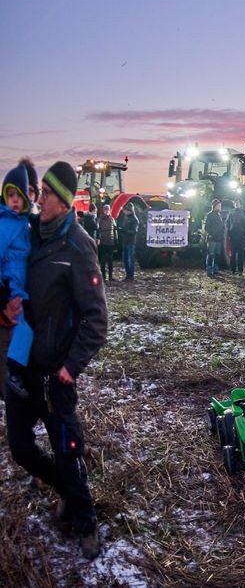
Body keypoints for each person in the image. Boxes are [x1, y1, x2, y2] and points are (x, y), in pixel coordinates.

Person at [7, 161, 107, 558]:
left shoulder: (78, 246)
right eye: (40, 191)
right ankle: (64, 490)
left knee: (68, 450)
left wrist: (72, 366)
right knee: (20, 447)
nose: (39, 198)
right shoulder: (29, 233)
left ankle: (85, 522)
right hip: (21, 364)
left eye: (46, 194)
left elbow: (96, 318)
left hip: (54, 374)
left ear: (63, 203)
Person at [2, 161, 35, 399]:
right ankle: (13, 373)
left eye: (19, 195)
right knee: (23, 329)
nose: (14, 199)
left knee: (25, 328)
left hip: (22, 285)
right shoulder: (5, 224)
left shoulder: (25, 223)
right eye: (9, 194)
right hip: (12, 285)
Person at [227, 199, 245, 276]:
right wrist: (229, 233)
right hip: (233, 236)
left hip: (241, 236)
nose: (236, 204)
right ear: (234, 204)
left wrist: (244, 233)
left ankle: (240, 270)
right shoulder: (231, 213)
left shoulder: (244, 213)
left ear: (240, 204)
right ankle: (233, 269)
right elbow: (227, 223)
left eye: (238, 203)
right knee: (233, 254)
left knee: (240, 254)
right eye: (235, 203)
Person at [116, 203, 139, 281]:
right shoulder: (126, 218)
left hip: (131, 242)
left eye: (126, 210)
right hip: (125, 241)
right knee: (125, 259)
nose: (124, 212)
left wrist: (124, 230)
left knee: (130, 259)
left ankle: (130, 275)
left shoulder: (134, 220)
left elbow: (134, 231)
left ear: (130, 211)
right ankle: (128, 275)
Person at [203, 199, 225, 277]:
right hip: (212, 239)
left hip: (218, 239)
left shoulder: (219, 215)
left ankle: (215, 269)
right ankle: (209, 270)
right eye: (219, 206)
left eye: (220, 206)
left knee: (217, 255)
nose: (220, 207)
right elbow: (206, 227)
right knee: (211, 254)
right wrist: (213, 233)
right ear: (215, 206)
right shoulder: (210, 215)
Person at [96, 204, 117, 282]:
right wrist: (99, 238)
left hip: (111, 241)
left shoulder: (112, 219)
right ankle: (103, 277)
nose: (107, 211)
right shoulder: (100, 219)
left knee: (110, 260)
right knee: (103, 260)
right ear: (103, 211)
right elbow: (98, 230)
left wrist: (116, 239)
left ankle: (111, 276)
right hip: (103, 241)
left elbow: (115, 230)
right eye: (105, 210)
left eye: (108, 210)